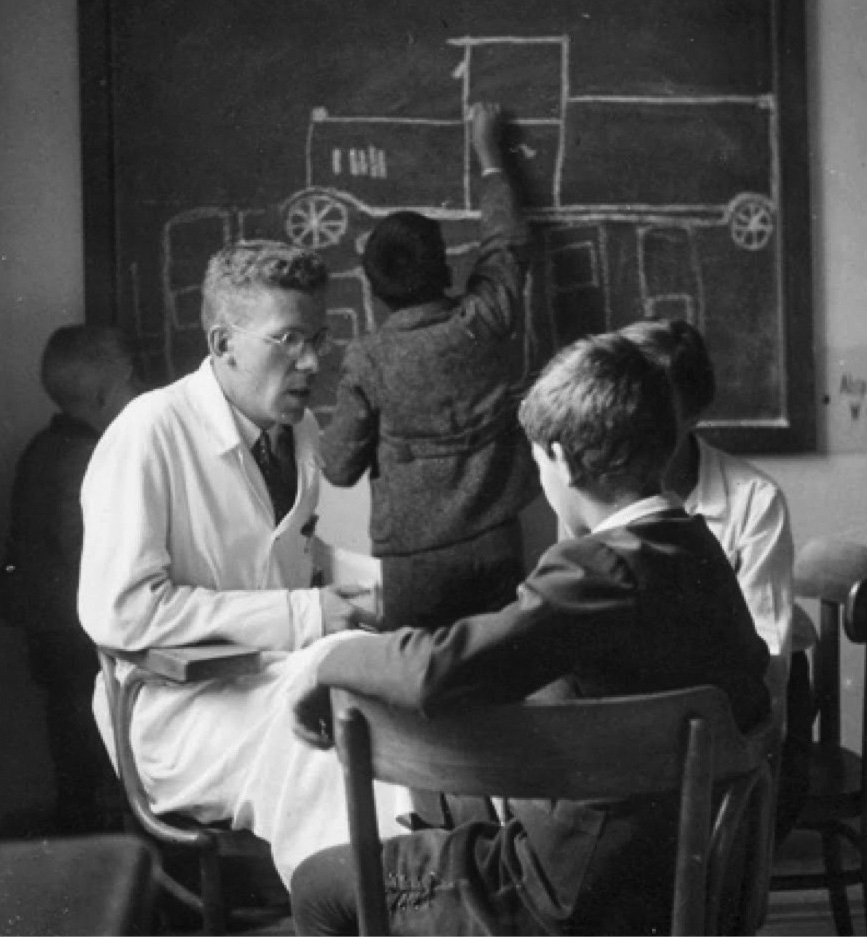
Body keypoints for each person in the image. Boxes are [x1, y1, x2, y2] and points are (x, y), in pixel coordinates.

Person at [289, 333, 771, 936]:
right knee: (448, 809)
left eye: (540, 462)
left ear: (564, 462)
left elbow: (438, 671)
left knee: (320, 882)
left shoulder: (600, 568)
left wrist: (328, 663)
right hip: (694, 887)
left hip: (571, 896)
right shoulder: (697, 548)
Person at [77, 240, 402, 888]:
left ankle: (408, 902)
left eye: (316, 336)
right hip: (174, 707)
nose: (311, 361)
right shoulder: (149, 431)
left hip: (260, 679)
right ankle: (360, 906)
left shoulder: (298, 431)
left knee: (392, 705)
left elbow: (291, 553)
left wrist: (391, 585)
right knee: (333, 731)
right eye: (286, 340)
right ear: (223, 343)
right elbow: (123, 611)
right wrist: (306, 613)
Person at [320, 101, 540, 632]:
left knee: (424, 695)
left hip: (414, 563)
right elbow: (507, 243)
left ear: (372, 287)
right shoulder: (484, 319)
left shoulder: (368, 361)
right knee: (501, 686)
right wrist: (490, 158)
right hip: (497, 540)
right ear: (445, 267)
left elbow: (338, 468)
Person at [619, 317, 810, 841]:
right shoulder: (598, 488)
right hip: (645, 727)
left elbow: (766, 666)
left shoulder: (753, 500)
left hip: (737, 731)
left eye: (660, 405)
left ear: (695, 412)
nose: (638, 420)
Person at [1, 324, 142, 835]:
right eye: (133, 385)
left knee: (74, 752)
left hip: (50, 632)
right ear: (106, 395)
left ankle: (91, 846)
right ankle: (115, 865)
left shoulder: (43, 446)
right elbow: (89, 553)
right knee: (101, 750)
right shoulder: (91, 458)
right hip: (80, 635)